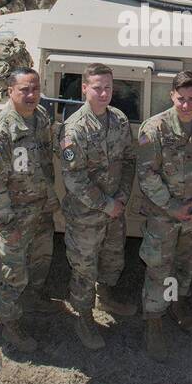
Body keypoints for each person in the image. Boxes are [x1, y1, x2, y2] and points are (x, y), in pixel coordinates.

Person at [135, 71, 192, 361]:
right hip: (164, 217)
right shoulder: (154, 129)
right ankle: (153, 321)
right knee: (159, 267)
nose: (186, 105)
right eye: (181, 99)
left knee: (184, 265)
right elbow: (146, 175)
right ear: (172, 96)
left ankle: (176, 304)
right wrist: (173, 207)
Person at [0, 68, 60, 353]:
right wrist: (4, 227)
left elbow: (45, 162)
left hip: (39, 210)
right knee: (10, 272)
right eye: (24, 89)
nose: (30, 95)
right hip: (13, 217)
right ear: (10, 91)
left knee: (40, 259)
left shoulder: (40, 119)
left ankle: (33, 299)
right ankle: (10, 325)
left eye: (35, 88)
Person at [60, 63, 138, 350]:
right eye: (97, 87)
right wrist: (106, 204)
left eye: (108, 87)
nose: (103, 93)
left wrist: (121, 198)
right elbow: (74, 178)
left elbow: (129, 160)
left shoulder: (118, 120)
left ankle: (106, 297)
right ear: (84, 88)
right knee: (84, 269)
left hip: (114, 210)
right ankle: (83, 318)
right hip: (86, 216)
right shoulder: (74, 129)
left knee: (112, 258)